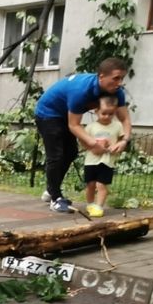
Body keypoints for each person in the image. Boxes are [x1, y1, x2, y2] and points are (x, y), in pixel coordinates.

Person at [34, 57, 132, 213]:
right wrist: (93, 143)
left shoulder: (116, 92)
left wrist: (124, 139)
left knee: (71, 152)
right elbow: (74, 125)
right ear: (101, 76)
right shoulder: (81, 91)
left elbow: (125, 118)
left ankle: (51, 189)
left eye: (122, 78)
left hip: (65, 115)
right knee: (57, 155)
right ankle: (55, 198)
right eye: (116, 78)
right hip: (48, 113)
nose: (119, 83)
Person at [82, 95, 125, 217]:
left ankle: (99, 206)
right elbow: (84, 142)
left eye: (110, 114)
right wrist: (94, 145)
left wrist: (116, 146)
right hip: (91, 161)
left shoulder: (118, 126)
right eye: (104, 113)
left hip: (107, 161)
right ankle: (90, 204)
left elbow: (122, 141)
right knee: (90, 185)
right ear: (96, 111)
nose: (107, 116)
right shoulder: (90, 127)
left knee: (101, 185)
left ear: (115, 112)